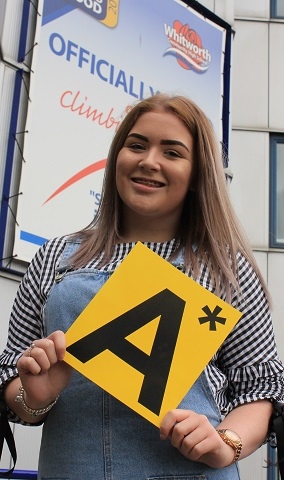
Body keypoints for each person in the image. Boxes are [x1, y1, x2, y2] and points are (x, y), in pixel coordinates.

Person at [0, 93, 283, 480]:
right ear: (117, 156)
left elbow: (259, 387)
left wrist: (224, 443)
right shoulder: (53, 259)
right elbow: (11, 377)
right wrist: (33, 396)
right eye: (136, 145)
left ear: (199, 172)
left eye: (172, 152)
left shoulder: (227, 270)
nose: (149, 161)